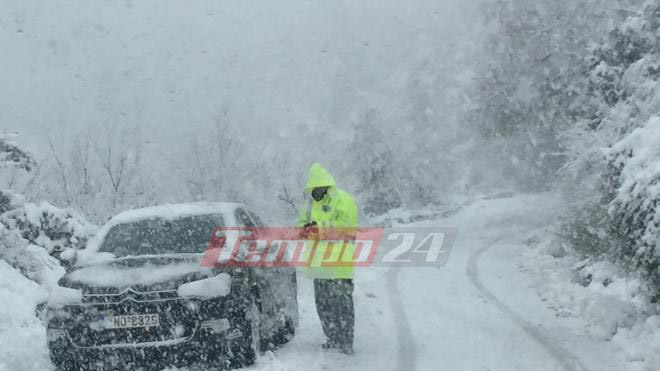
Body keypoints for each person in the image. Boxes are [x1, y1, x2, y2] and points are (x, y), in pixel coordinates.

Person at [298, 163, 358, 355]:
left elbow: (347, 226)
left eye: (319, 189)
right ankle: (332, 337)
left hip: (340, 264)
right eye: (314, 190)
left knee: (342, 304)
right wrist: (304, 230)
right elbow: (301, 225)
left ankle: (346, 341)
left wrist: (319, 228)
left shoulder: (343, 199)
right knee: (323, 305)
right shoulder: (308, 205)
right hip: (319, 264)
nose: (317, 193)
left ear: (326, 186)